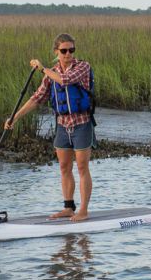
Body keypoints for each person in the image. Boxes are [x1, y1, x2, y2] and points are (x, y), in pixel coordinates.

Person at [6, 33, 96, 221]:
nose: (68, 54)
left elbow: (65, 80)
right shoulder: (50, 74)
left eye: (71, 50)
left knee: (82, 167)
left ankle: (84, 211)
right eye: (63, 51)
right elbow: (36, 98)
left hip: (82, 124)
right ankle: (69, 207)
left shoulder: (82, 67)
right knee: (64, 167)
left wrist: (42, 68)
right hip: (62, 125)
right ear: (56, 52)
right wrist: (14, 118)